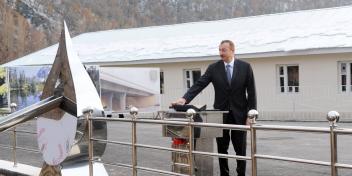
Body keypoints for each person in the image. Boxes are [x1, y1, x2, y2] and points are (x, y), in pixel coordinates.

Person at [172, 40, 256, 176]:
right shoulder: (213, 68)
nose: (221, 53)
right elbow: (199, 84)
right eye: (220, 50)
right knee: (222, 148)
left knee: (240, 149)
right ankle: (224, 174)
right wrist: (184, 99)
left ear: (232, 51)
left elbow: (251, 92)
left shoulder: (245, 67)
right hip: (220, 114)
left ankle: (241, 174)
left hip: (240, 115)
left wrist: (250, 115)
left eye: (224, 50)